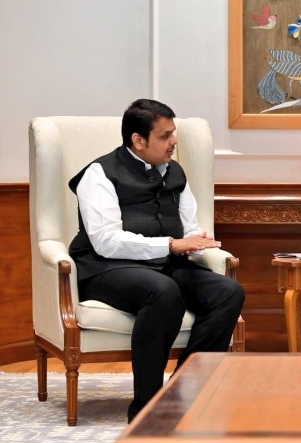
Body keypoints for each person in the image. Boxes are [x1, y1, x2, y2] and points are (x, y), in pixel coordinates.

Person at [68, 99, 245, 423]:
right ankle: (145, 408)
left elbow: (188, 226)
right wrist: (172, 244)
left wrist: (196, 242)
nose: (174, 141)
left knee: (228, 292)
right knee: (162, 292)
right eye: (165, 136)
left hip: (165, 264)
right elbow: (106, 241)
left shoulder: (175, 171)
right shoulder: (99, 173)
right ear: (138, 140)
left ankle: (183, 394)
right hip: (105, 268)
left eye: (173, 133)